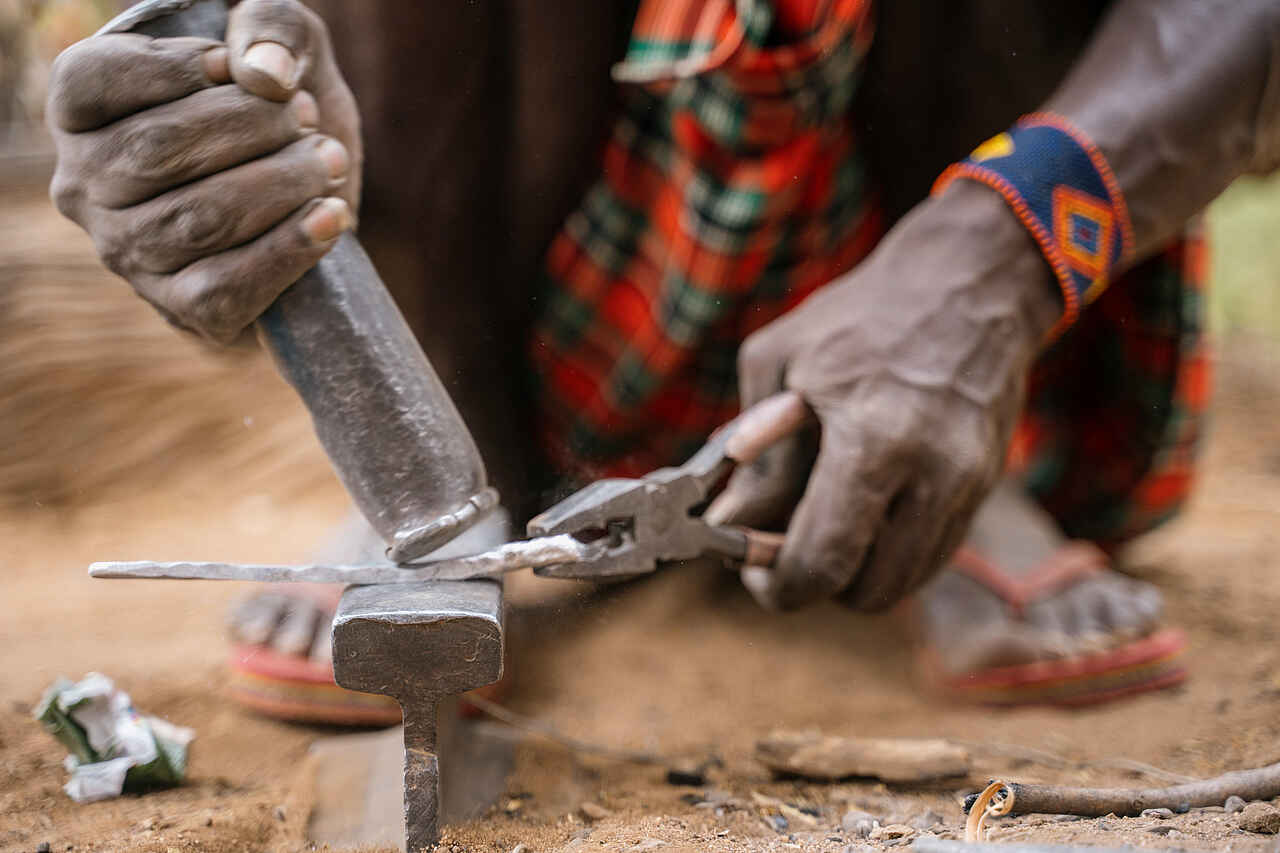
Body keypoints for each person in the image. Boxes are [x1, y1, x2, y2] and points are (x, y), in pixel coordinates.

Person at [45, 0, 1278, 716]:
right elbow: (214, 44)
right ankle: (429, 461)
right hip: (530, 278)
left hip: (989, 223)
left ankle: (975, 427)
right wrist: (211, 130)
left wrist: (991, 268)